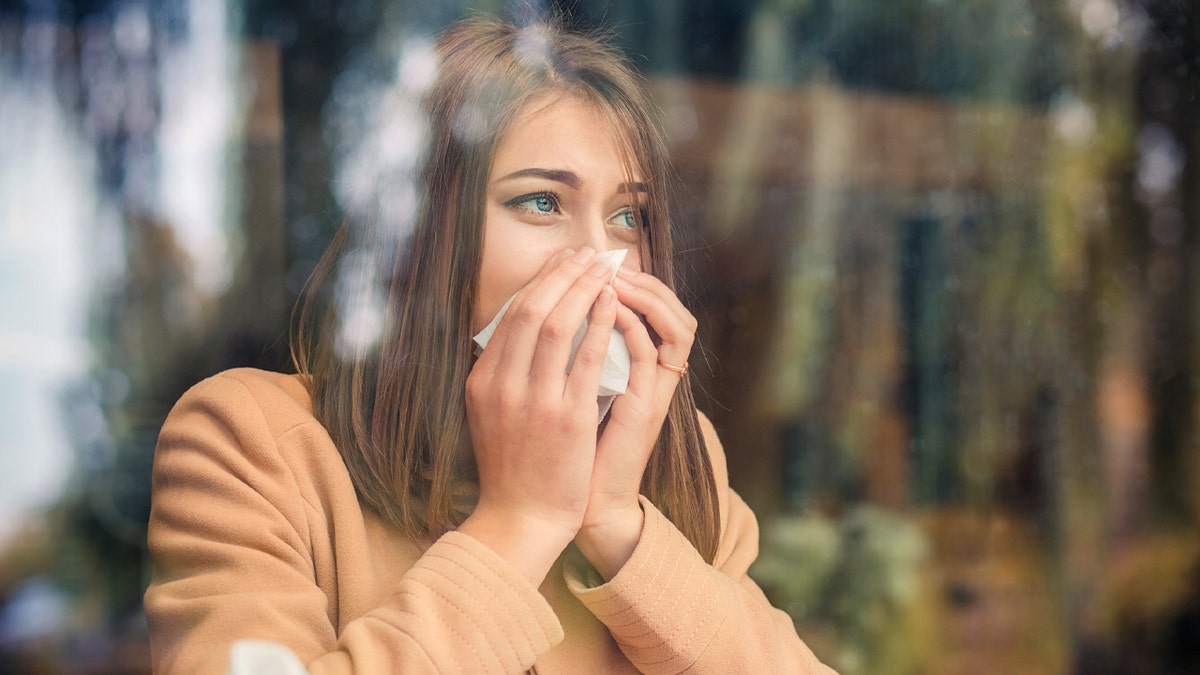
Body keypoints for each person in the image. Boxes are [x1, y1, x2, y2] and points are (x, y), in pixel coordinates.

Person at [144, 15, 836, 675]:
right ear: (423, 237)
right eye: (542, 201)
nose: (599, 258)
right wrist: (521, 521)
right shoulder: (251, 443)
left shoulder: (680, 463)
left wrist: (618, 523)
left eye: (628, 217)